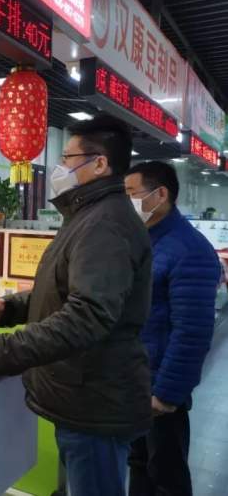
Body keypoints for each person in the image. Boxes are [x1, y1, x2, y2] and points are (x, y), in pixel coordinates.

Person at [0, 115, 153, 496]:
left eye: (68, 158)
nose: (60, 168)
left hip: (95, 399)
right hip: (85, 391)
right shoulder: (89, 215)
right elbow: (63, 289)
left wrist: (3, 350)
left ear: (99, 163)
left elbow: (88, 315)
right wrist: (12, 308)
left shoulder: (105, 224)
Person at [125, 161, 220, 496]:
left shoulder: (190, 250)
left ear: (160, 194)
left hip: (160, 387)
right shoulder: (144, 240)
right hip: (135, 380)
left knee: (166, 475)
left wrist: (167, 394)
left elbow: (192, 332)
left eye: (131, 193)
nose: (126, 202)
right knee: (139, 463)